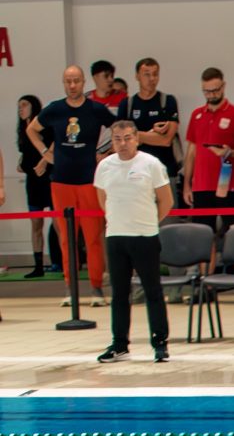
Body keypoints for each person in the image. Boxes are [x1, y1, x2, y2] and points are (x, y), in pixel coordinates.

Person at [92, 119, 171, 364]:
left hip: (145, 236)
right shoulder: (105, 166)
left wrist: (149, 222)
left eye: (127, 138)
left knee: (152, 291)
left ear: (136, 139)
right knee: (119, 294)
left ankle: (160, 342)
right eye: (117, 139)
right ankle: (119, 344)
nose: (123, 143)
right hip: (116, 237)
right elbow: (102, 199)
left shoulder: (151, 164)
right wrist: (118, 221)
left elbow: (166, 201)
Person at [33, 65, 112, 295]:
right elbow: (32, 129)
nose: (72, 85)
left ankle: (96, 286)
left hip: (89, 181)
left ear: (84, 82)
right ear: (63, 83)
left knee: (93, 237)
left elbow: (119, 127)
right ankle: (71, 287)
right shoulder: (55, 109)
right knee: (67, 239)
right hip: (61, 182)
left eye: (76, 80)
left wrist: (106, 155)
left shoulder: (96, 109)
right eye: (68, 81)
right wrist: (44, 153)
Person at [185, 69, 234, 252]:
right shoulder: (196, 115)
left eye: (215, 90)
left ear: (223, 87)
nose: (211, 95)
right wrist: (187, 184)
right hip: (202, 185)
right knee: (203, 237)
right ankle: (205, 271)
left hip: (228, 185)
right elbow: (192, 151)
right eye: (206, 91)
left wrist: (229, 152)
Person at [125, 59, 181, 203]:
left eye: (155, 74)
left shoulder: (167, 101)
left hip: (165, 173)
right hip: (136, 175)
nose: (152, 79)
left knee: (168, 216)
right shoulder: (127, 105)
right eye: (147, 74)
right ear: (137, 76)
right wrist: (152, 134)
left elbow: (166, 140)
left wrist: (135, 136)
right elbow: (122, 142)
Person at [15, 94, 54, 281]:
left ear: (33, 106)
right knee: (35, 224)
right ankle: (38, 265)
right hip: (32, 181)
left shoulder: (43, 125)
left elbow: (54, 143)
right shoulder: (22, 129)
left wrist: (44, 162)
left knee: (59, 223)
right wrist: (22, 163)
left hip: (48, 178)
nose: (20, 108)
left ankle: (64, 262)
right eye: (19, 106)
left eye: (24, 105)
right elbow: (24, 152)